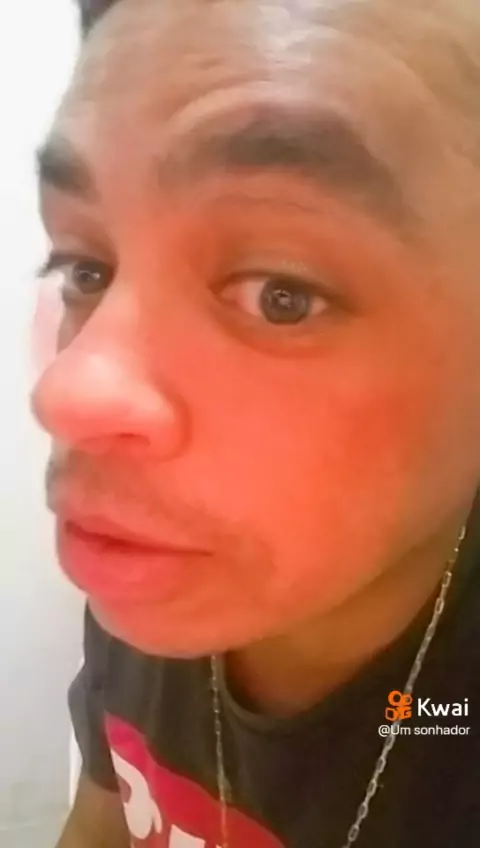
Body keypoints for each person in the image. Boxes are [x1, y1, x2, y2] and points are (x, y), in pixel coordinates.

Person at [31, 0, 480, 845]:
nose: (69, 393)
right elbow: (102, 821)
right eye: (86, 267)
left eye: (282, 295)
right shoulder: (153, 562)